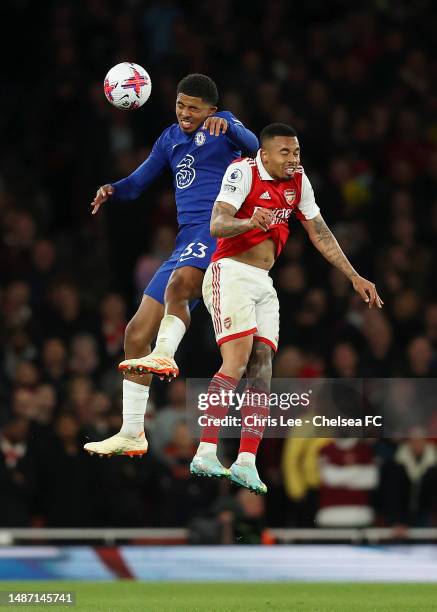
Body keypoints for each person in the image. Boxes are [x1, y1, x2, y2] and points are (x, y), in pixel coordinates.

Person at [127, 122, 383, 492]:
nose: (293, 159)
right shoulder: (242, 172)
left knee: (263, 365)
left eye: (296, 152)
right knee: (237, 361)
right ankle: (206, 450)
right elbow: (217, 223)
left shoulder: (298, 182)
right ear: (264, 154)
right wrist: (249, 220)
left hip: (264, 281)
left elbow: (320, 232)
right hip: (229, 271)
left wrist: (354, 276)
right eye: (285, 153)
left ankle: (247, 459)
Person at [84, 74, 258, 457]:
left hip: (217, 230)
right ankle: (132, 431)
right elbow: (137, 182)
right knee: (134, 333)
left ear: (211, 109)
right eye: (181, 105)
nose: (185, 113)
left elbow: (255, 145)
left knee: (179, 287)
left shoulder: (224, 125)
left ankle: (166, 352)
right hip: (186, 241)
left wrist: (228, 125)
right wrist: (113, 188)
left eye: (194, 108)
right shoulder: (169, 139)